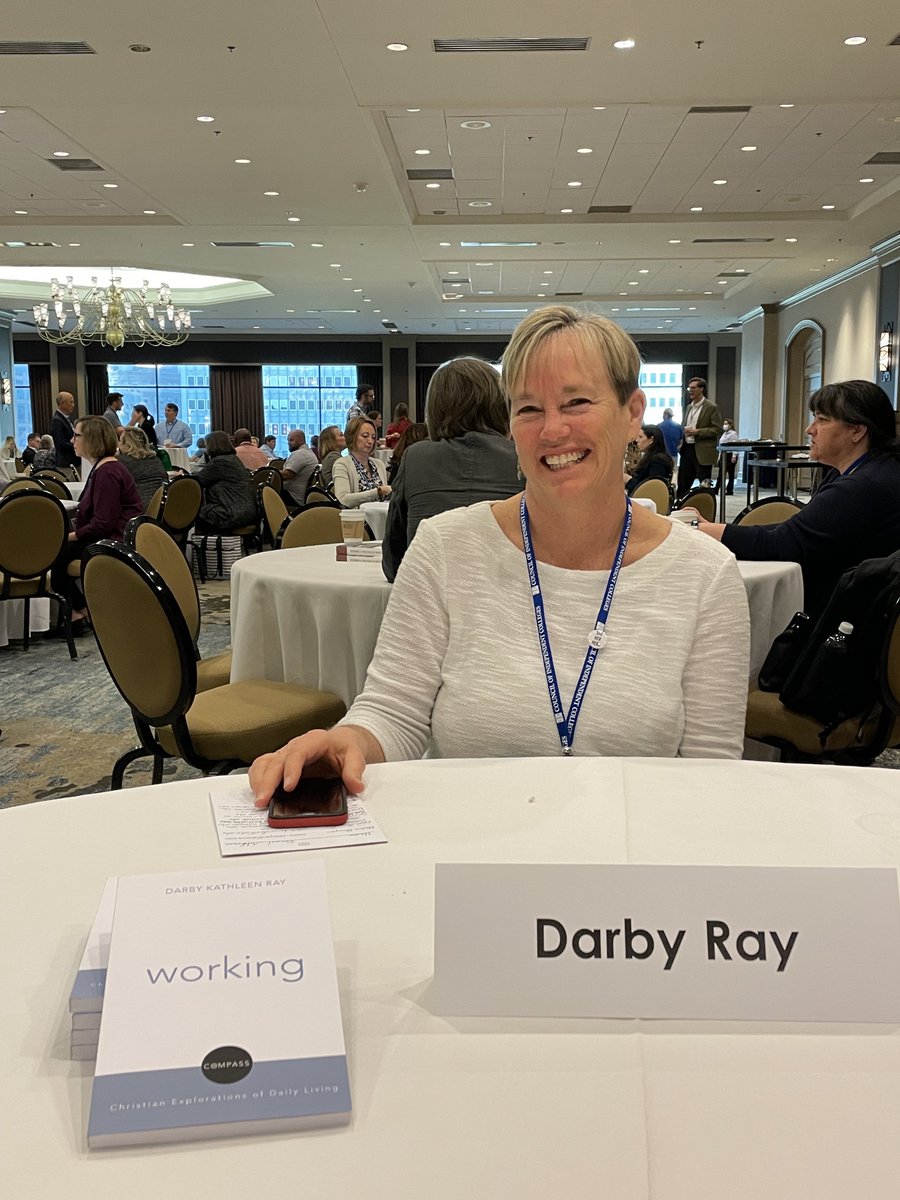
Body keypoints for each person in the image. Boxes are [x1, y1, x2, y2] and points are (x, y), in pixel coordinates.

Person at [249, 305, 750, 805]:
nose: (552, 430)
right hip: (470, 852)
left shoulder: (703, 574)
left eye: (576, 401)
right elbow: (394, 712)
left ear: (632, 412)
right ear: (509, 424)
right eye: (529, 408)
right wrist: (347, 742)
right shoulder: (446, 547)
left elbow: (710, 773)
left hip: (633, 862)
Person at [697, 379, 900, 621]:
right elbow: (799, 529)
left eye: (822, 420)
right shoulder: (860, 470)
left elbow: (782, 543)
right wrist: (717, 529)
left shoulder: (863, 485)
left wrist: (703, 530)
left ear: (857, 430)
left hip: (851, 621)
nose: (810, 429)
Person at [382, 358, 521, 581]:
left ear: (434, 410)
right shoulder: (523, 459)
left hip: (429, 603)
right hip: (509, 602)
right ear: (502, 406)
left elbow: (393, 564)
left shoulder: (416, 458)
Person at [51, 416, 142, 634]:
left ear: (92, 439)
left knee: (53, 555)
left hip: (114, 541)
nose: (72, 440)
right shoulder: (103, 468)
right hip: (110, 536)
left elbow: (102, 524)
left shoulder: (107, 473)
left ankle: (80, 611)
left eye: (77, 435)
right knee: (55, 554)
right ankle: (80, 612)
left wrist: (68, 536)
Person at [192, 430, 257, 533]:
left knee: (194, 512)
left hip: (232, 513)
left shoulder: (219, 462)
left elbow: (197, 481)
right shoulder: (233, 459)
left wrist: (181, 475)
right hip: (247, 511)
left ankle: (202, 546)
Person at [677, 377, 722, 497]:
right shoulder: (689, 407)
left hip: (703, 451)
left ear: (701, 389)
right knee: (683, 484)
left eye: (693, 388)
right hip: (687, 449)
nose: (690, 390)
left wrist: (697, 431)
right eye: (689, 388)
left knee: (704, 485)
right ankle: (680, 510)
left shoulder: (711, 407)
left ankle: (704, 508)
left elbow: (717, 429)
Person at [332, 416, 390, 507]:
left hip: (380, 518)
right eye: (365, 436)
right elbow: (343, 499)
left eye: (373, 437)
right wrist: (378, 491)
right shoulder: (342, 464)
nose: (370, 441)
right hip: (356, 518)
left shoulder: (379, 464)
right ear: (352, 437)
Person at [117, 426, 168, 511]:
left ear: (126, 444)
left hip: (135, 511)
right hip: (161, 510)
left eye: (120, 440)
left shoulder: (121, 462)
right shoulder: (156, 460)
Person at [625, 424, 674, 496]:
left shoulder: (658, 461)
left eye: (640, 437)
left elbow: (652, 489)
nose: (636, 440)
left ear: (651, 440)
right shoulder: (651, 457)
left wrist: (628, 480)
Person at [281, 429, 319, 506]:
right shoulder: (308, 452)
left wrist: (269, 472)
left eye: (291, 440)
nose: (288, 443)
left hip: (293, 497)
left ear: (301, 440)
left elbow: (286, 475)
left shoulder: (300, 454)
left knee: (265, 492)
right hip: (302, 496)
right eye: (288, 440)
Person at [50, 391, 79, 470]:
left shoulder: (65, 419)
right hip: (66, 464)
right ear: (63, 404)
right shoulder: (57, 421)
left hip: (71, 463)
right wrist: (78, 444)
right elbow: (61, 444)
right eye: (71, 402)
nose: (73, 405)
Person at [317, 425, 345, 492]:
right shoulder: (334, 458)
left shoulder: (330, 457)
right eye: (341, 435)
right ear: (332, 441)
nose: (345, 437)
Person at [718, 418, 740, 495]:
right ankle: (718, 487)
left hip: (730, 455)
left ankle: (729, 489)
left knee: (730, 473)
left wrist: (734, 456)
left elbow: (735, 445)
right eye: (724, 423)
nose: (725, 425)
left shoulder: (733, 434)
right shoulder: (724, 434)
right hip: (723, 454)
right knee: (721, 473)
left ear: (730, 425)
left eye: (726, 424)